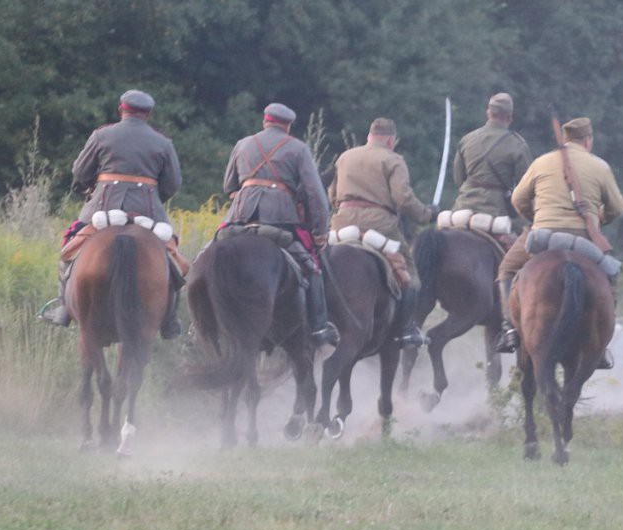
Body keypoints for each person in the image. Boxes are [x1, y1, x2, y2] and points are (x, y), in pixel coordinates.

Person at [40, 89, 184, 338]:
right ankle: (170, 320)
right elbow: (172, 184)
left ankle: (65, 307)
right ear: (148, 114)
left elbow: (80, 171)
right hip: (148, 212)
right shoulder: (163, 143)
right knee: (173, 260)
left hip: (102, 209)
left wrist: (92, 188)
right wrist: (153, 200)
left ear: (121, 109)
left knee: (68, 250)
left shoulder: (101, 135)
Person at [495, 117, 623, 353]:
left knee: (506, 270)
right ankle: (601, 342)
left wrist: (534, 217)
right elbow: (617, 207)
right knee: (610, 277)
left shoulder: (541, 162)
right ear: (587, 141)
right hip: (585, 238)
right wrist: (598, 220)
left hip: (542, 234)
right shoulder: (600, 167)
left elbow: (518, 199)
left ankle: (509, 329)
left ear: (565, 138)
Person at [222, 102, 338, 346]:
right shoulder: (298, 148)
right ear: (287, 126)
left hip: (240, 214)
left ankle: (195, 324)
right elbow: (315, 194)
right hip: (281, 217)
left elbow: (228, 186)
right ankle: (318, 327)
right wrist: (319, 231)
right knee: (311, 266)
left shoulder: (243, 143)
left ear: (265, 121)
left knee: (209, 254)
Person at [327, 117, 437, 346]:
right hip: (380, 225)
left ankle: (320, 321)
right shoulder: (393, 159)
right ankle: (405, 330)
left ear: (370, 136)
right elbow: (403, 199)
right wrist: (426, 214)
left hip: (342, 222)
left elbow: (332, 195)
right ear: (390, 140)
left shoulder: (346, 156)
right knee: (411, 275)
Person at [452, 92, 532, 219]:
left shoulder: (467, 139)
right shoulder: (518, 145)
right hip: (496, 211)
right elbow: (526, 188)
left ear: (488, 113)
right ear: (509, 116)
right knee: (524, 234)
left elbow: (458, 179)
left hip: (462, 206)